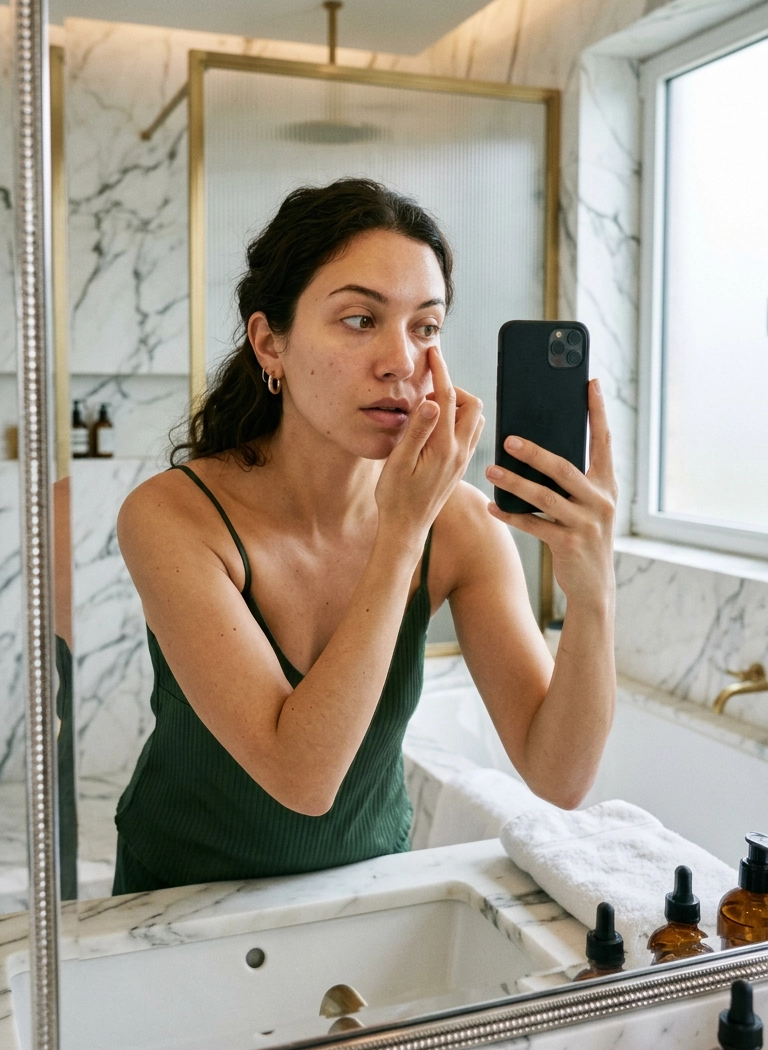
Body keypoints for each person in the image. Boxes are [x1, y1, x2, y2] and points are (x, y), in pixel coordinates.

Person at [112, 177, 617, 895]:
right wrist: (401, 532)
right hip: (178, 904)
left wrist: (593, 591)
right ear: (270, 343)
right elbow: (302, 779)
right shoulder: (173, 515)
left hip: (371, 891)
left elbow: (559, 777)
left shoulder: (459, 526)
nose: (401, 362)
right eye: (359, 320)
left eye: (425, 327)